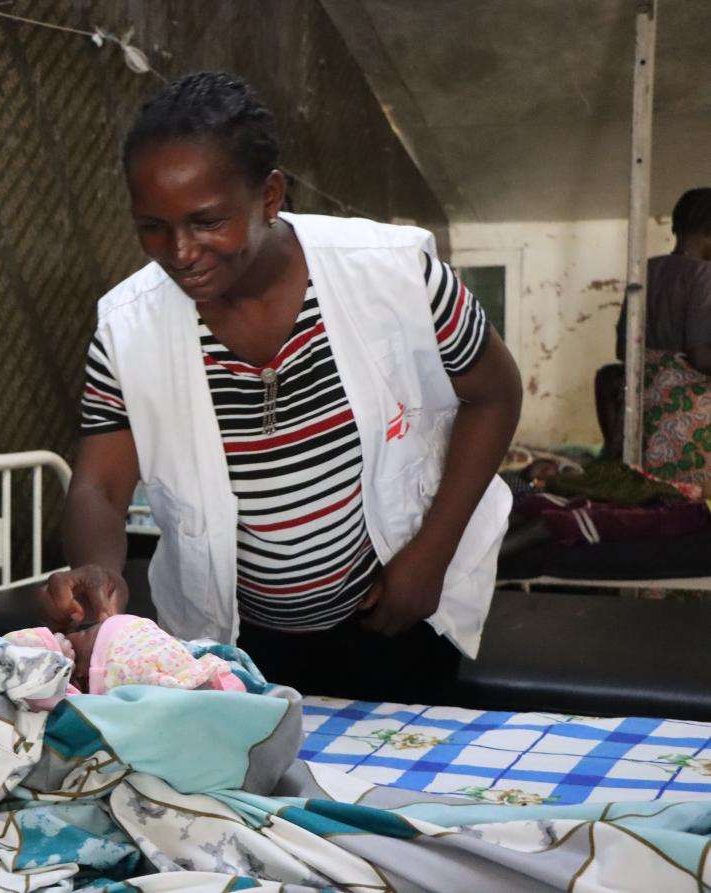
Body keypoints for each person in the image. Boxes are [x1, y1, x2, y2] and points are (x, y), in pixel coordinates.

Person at [41, 72, 522, 705]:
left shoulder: (395, 273)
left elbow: (495, 394)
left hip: (397, 617)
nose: (181, 252)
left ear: (270, 196)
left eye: (208, 222)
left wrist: (430, 554)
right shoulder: (127, 329)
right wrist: (98, 569)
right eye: (152, 227)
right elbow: (100, 484)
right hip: (236, 648)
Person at [614, 187, 711, 487]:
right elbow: (700, 356)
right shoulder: (704, 275)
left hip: (640, 398)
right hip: (682, 405)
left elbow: (622, 348)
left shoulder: (645, 271)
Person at [4, 614, 244, 709]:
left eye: (88, 633)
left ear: (85, 678)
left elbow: (6, 653)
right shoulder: (208, 672)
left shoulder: (80, 709)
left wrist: (49, 649)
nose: (74, 632)